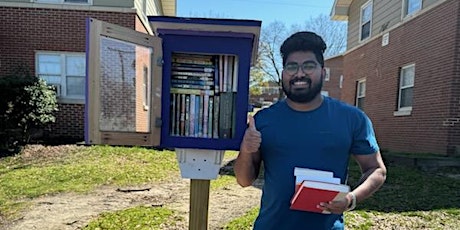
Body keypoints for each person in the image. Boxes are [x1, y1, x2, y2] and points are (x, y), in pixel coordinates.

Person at [234, 31, 387, 230]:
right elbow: (244, 180)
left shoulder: (352, 118)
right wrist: (246, 151)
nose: (299, 74)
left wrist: (351, 199)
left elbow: (376, 170)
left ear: (322, 72)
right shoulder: (263, 120)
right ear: (283, 73)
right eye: (291, 67)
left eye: (308, 66)